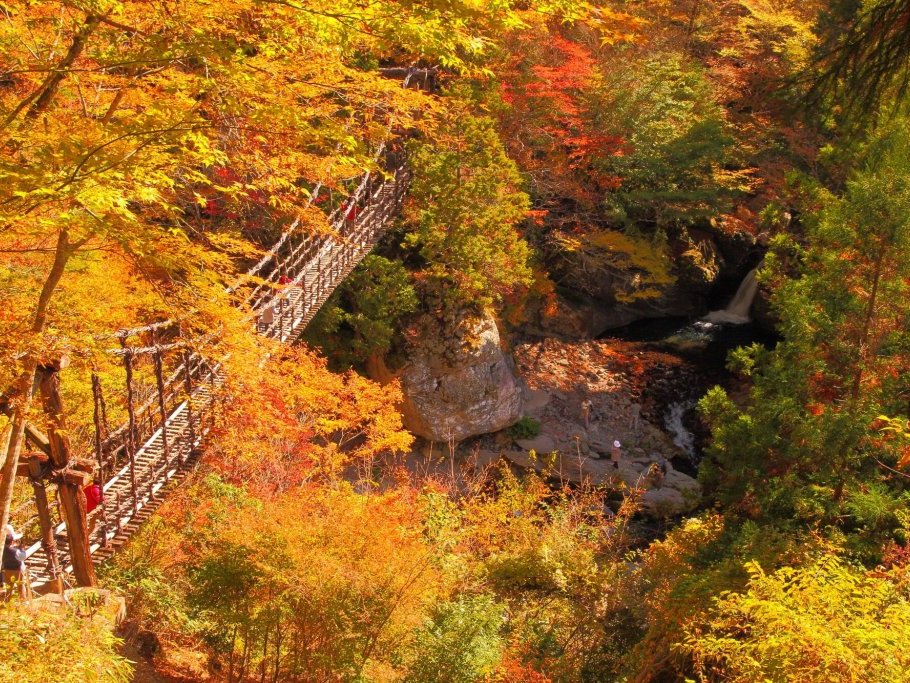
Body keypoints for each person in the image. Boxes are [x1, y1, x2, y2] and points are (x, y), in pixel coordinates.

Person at [2, 524, 28, 600]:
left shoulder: (3, 549)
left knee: (9, 586)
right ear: (12, 541)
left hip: (7, 569)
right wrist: (22, 549)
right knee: (21, 585)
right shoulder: (14, 551)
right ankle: (23, 600)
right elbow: (23, 557)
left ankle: (8, 599)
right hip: (17, 570)